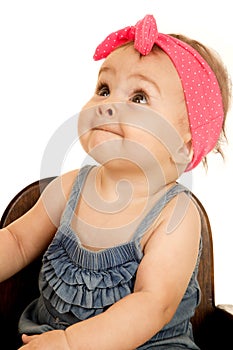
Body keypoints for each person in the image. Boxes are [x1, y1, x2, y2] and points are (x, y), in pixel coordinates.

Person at [0, 14, 231, 349]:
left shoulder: (174, 215)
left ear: (185, 145)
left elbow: (153, 304)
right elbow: (18, 242)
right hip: (45, 340)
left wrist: (71, 343)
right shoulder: (70, 188)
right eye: (104, 89)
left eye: (139, 98)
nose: (107, 105)